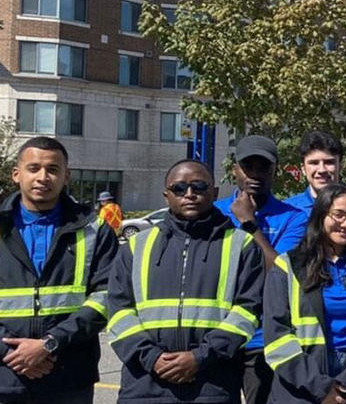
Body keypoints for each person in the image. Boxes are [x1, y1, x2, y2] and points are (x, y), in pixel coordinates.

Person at [107, 160, 265, 403]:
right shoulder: (137, 247)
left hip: (212, 384)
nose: (189, 194)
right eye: (179, 188)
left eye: (199, 187)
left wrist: (200, 357)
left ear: (214, 193)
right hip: (144, 384)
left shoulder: (240, 245)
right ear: (166, 196)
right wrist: (151, 358)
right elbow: (118, 312)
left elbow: (247, 312)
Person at [0, 137, 117, 404]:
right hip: (5, 374)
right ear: (16, 174)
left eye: (53, 169)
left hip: (69, 375)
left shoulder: (94, 231)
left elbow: (106, 297)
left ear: (67, 176)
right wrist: (11, 352)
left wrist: (49, 343)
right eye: (34, 168)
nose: (43, 177)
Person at [262, 184, 346, 404]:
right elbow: (277, 337)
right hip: (300, 385)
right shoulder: (288, 265)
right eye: (338, 214)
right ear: (320, 215)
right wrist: (322, 388)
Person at [214, 135, 309, 404]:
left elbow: (280, 273)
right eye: (248, 166)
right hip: (218, 335)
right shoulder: (215, 213)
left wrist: (248, 224)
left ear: (275, 170)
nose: (255, 174)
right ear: (235, 169)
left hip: (262, 341)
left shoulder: (293, 217)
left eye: (263, 167)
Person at [285, 131, 344, 212]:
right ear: (303, 169)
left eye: (329, 162)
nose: (322, 170)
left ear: (340, 166)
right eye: (314, 163)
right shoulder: (288, 211)